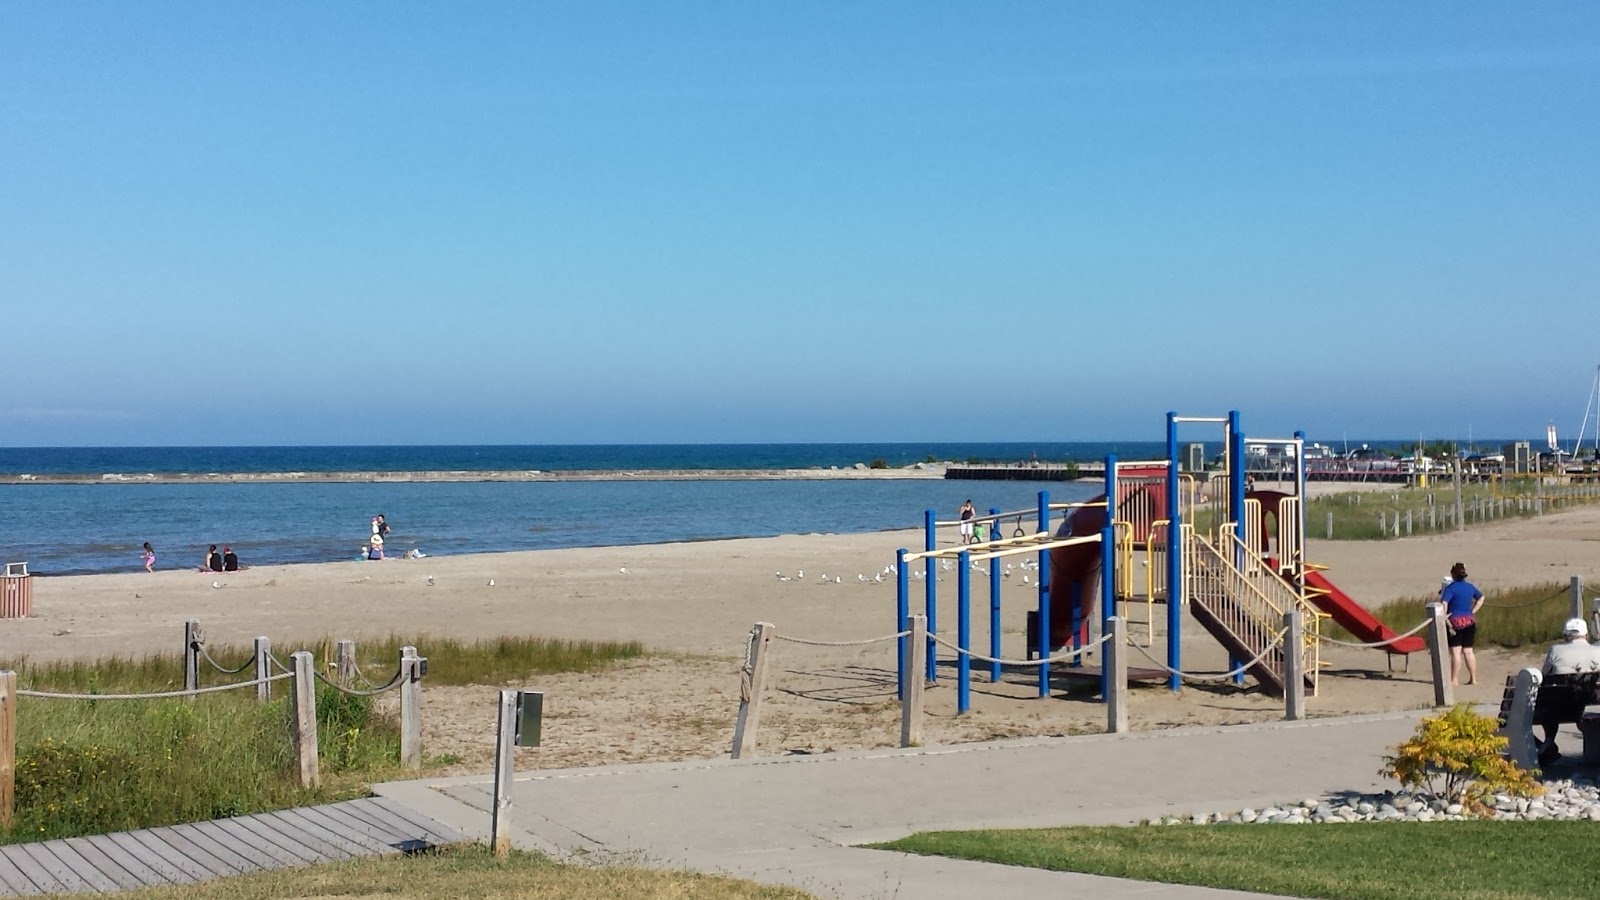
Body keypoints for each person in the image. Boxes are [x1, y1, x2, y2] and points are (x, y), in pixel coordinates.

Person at [1537, 618, 1600, 764]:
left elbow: (1544, 676)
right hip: (1591, 706)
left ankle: (1548, 740)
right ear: (1585, 634)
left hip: (1560, 707)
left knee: (1549, 702)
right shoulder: (1598, 651)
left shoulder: (1556, 650)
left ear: (1566, 635)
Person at [1438, 562, 1485, 686]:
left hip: (1455, 622)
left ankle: (1454, 679)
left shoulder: (1450, 588)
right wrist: (1472, 611)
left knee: (1456, 652)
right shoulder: (1470, 587)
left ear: (1453, 574)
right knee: (1469, 651)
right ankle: (1473, 678)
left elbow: (1444, 604)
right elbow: (1481, 598)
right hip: (1469, 621)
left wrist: (1445, 618)